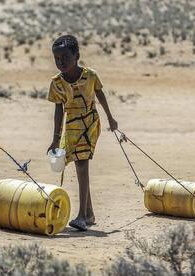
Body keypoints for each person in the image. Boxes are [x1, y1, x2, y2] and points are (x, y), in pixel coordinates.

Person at [46, 35, 118, 231]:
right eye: (57, 59)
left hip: (89, 123)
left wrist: (111, 118)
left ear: (77, 56)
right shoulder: (56, 83)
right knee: (70, 163)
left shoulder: (90, 76)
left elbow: (99, 94)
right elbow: (59, 110)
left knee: (82, 164)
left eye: (65, 58)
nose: (60, 63)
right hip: (71, 127)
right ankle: (89, 213)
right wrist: (55, 139)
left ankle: (81, 217)